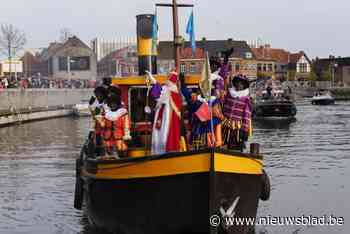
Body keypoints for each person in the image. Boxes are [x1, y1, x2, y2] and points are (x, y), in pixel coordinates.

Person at [180, 73, 223, 149]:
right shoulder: (195, 100)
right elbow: (187, 94)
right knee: (198, 147)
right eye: (203, 88)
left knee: (212, 144)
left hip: (211, 131)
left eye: (207, 88)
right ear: (200, 89)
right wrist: (183, 84)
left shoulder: (214, 100)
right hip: (198, 131)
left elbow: (217, 114)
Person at [145, 71, 183, 155]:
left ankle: (161, 153)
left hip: (166, 117)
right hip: (166, 115)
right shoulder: (175, 91)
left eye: (168, 77)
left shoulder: (168, 90)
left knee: (163, 135)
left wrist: (153, 80)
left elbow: (158, 95)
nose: (167, 78)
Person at [222, 75, 252, 152]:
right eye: (238, 83)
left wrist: (245, 130)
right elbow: (224, 105)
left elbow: (246, 115)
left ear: (244, 86)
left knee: (237, 143)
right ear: (235, 84)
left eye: (241, 84)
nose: (239, 85)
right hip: (226, 123)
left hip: (238, 125)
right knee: (225, 141)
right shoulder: (230, 94)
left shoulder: (246, 98)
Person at [98, 87, 131, 158]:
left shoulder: (123, 113)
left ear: (117, 104)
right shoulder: (105, 114)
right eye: (111, 103)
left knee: (121, 151)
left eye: (114, 103)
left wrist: (127, 135)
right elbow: (102, 126)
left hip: (119, 138)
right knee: (107, 153)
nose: (113, 105)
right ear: (109, 104)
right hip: (107, 138)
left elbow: (126, 126)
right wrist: (99, 120)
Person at [89, 86, 108, 156]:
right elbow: (94, 117)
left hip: (105, 128)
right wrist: (90, 105)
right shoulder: (96, 104)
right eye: (96, 95)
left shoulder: (106, 104)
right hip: (97, 128)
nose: (97, 97)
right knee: (97, 143)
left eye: (98, 95)